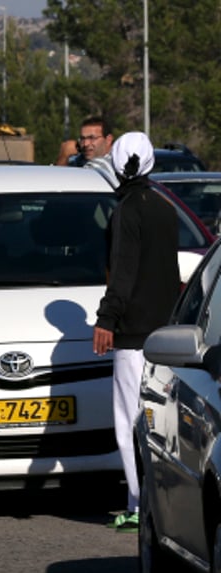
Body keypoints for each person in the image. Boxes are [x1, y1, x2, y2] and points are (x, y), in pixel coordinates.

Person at [92, 131, 179, 531]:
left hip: (132, 336)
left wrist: (107, 318)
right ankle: (158, 504)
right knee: (159, 425)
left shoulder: (127, 208)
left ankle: (138, 503)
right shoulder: (164, 206)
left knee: (129, 423)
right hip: (164, 333)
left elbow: (123, 271)